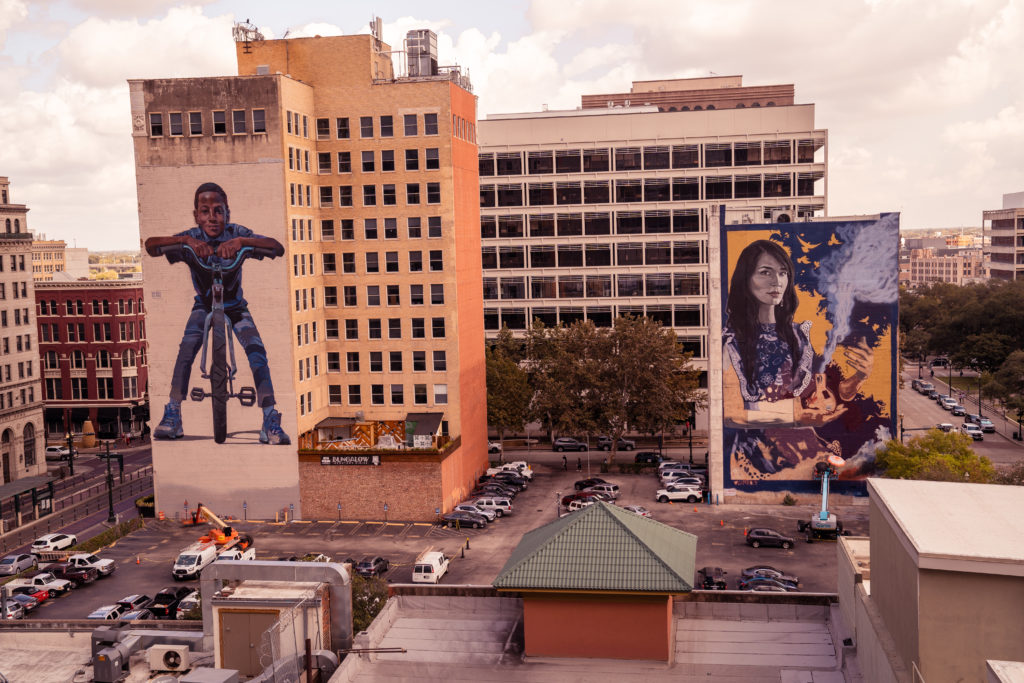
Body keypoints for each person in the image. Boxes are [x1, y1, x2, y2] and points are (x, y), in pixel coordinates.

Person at [145, 182, 290, 445]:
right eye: (205, 211)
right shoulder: (190, 237)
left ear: (227, 213)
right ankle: (173, 413)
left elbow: (277, 247)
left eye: (218, 211)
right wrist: (185, 241)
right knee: (187, 349)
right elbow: (151, 246)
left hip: (235, 306)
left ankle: (270, 416)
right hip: (204, 305)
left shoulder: (237, 233)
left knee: (257, 353)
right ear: (196, 216)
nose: (212, 217)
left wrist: (243, 242)